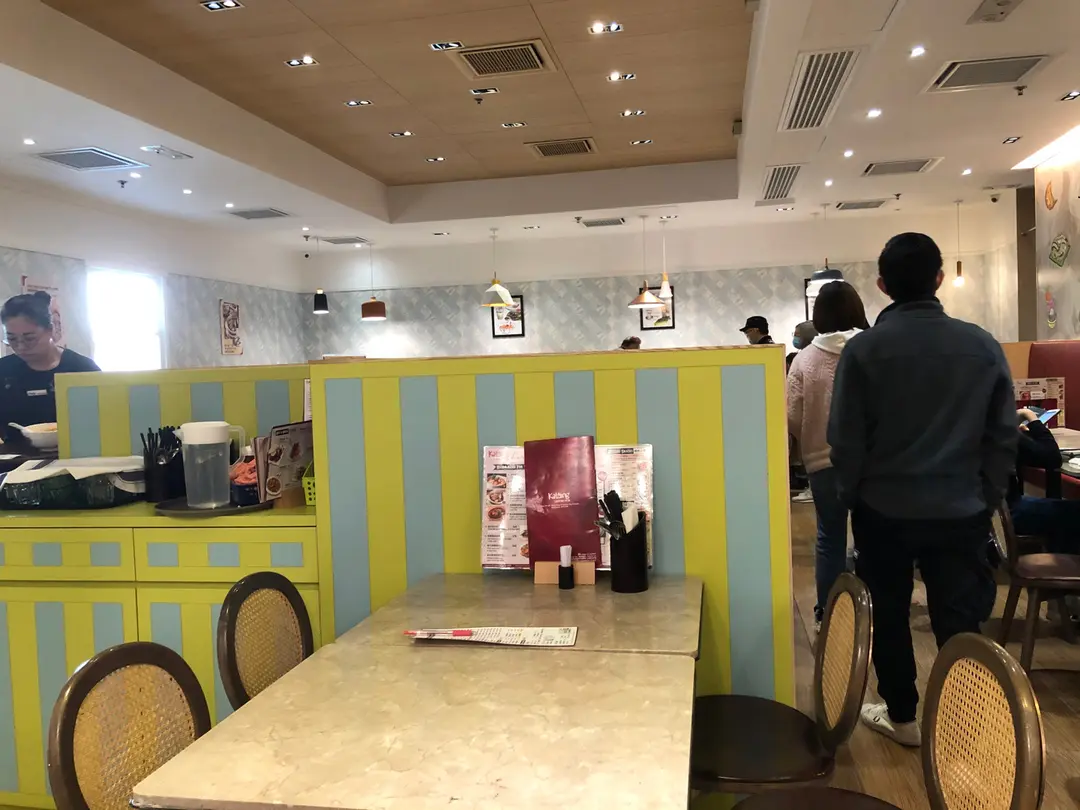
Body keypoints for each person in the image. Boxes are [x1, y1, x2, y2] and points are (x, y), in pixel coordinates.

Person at [828, 233, 1016, 748]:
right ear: (939, 279)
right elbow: (1003, 434)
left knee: (888, 614)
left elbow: (845, 439)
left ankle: (903, 716)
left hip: (883, 508)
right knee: (961, 617)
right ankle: (964, 723)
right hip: (961, 506)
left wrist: (852, 495)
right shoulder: (981, 345)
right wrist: (988, 494)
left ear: (882, 285)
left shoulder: (864, 350)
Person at [787, 282, 869, 626]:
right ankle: (873, 612)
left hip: (823, 461)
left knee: (829, 537)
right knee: (872, 537)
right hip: (872, 463)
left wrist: (809, 439)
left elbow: (792, 415)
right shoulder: (872, 350)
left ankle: (828, 613)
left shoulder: (805, 359)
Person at [0, 292, 100, 444]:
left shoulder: (82, 369)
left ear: (51, 329)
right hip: (14, 457)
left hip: (76, 454)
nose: (20, 347)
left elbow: (101, 421)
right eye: (12, 339)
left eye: (29, 338)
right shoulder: (4, 370)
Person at [1008, 409, 1080, 552]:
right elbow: (1052, 457)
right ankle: (1064, 561)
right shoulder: (1000, 431)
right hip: (1009, 513)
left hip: (987, 513)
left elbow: (1031, 449)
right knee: (1074, 512)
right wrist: (1030, 416)